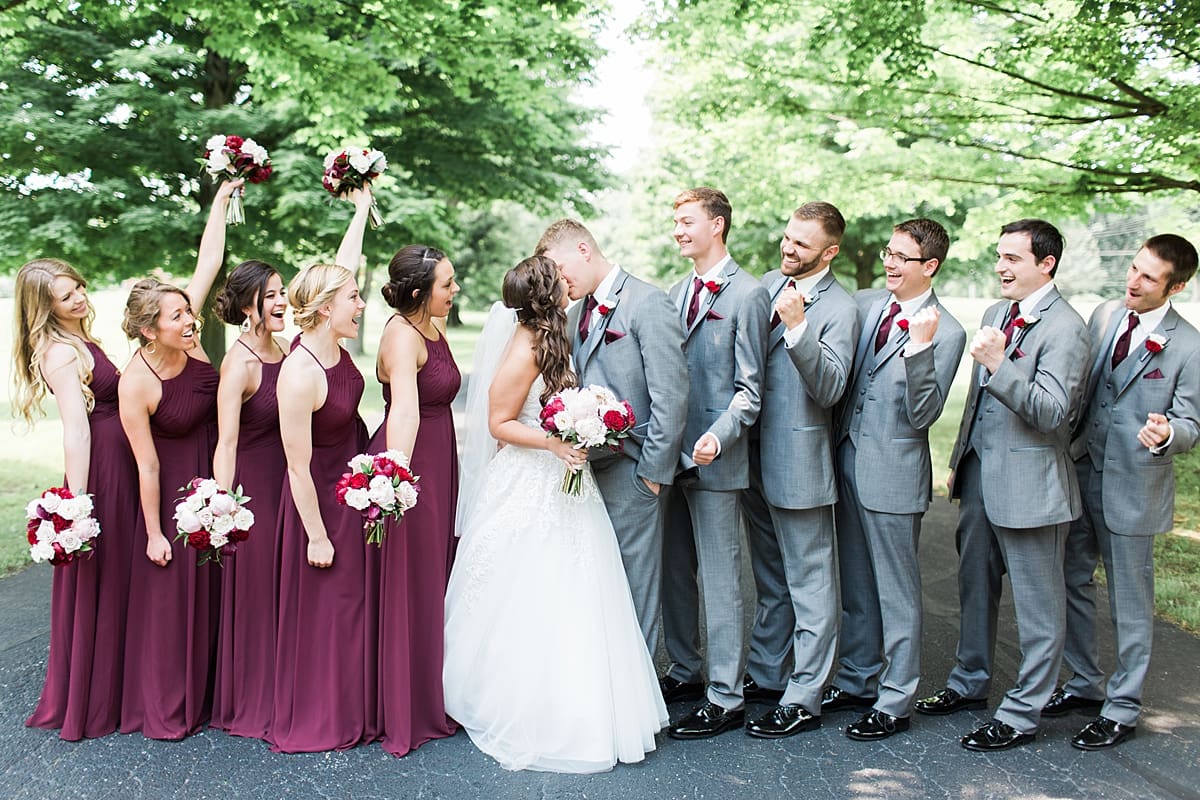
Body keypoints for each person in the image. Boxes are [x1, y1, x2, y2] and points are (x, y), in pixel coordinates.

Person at [443, 255, 667, 773]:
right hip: (529, 479)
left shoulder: (556, 334)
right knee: (529, 587)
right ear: (548, 293)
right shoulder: (523, 347)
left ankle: (581, 701)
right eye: (561, 281)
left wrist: (584, 424)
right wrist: (553, 441)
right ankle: (519, 699)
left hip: (567, 480)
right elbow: (499, 422)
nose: (571, 284)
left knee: (580, 587)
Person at [918, 218, 1090, 752]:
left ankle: (1021, 713)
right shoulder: (998, 313)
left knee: (1039, 606)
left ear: (1046, 264)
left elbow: (1054, 414)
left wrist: (1000, 360)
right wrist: (959, 456)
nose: (1000, 267)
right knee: (975, 585)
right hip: (979, 473)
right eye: (999, 256)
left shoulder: (1067, 329)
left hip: (1034, 485)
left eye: (1013, 258)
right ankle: (969, 684)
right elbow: (976, 399)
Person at [1054, 234, 1200, 750]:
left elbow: (1191, 422)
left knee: (1130, 601)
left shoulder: (1189, 345)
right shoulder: (1104, 315)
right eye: (1134, 269)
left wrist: (1168, 435)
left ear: (1176, 287)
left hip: (1135, 482)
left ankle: (1122, 708)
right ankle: (1084, 682)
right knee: (1071, 579)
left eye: (1149, 277)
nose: (1133, 282)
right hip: (1082, 468)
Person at [827, 219, 966, 741]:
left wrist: (920, 350)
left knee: (897, 590)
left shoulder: (946, 330)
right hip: (848, 458)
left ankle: (895, 698)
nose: (889, 262)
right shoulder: (865, 305)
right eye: (889, 251)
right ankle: (858, 677)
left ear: (929, 266)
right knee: (857, 582)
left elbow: (923, 413)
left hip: (895, 471)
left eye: (902, 257)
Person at [117, 181, 240, 739]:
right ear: (149, 329)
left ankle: (215, 693)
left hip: (212, 468)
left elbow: (209, 261)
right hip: (166, 485)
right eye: (177, 316)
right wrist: (152, 532)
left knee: (216, 587)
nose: (191, 320)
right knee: (171, 596)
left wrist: (220, 202)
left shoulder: (190, 343)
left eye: (188, 311)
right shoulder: (136, 382)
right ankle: (168, 705)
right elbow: (144, 463)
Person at [536, 218, 687, 656]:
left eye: (560, 268)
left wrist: (652, 477)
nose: (559, 280)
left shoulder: (647, 303)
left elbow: (671, 396)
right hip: (588, 469)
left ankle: (638, 702)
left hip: (634, 470)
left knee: (635, 585)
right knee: (599, 581)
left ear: (584, 250)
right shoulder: (575, 312)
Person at [739, 202, 858, 740]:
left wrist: (798, 328)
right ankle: (767, 675)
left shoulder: (841, 309)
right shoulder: (764, 282)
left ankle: (805, 694)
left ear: (829, 252)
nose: (788, 249)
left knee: (810, 582)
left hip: (800, 461)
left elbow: (831, 388)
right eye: (787, 238)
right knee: (769, 577)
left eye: (802, 245)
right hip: (751, 456)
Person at [268, 193, 377, 753]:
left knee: (356, 603)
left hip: (354, 488)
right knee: (331, 608)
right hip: (318, 501)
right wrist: (315, 534)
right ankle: (322, 715)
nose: (361, 304)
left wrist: (361, 208)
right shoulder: (299, 374)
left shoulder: (334, 340)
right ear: (326, 307)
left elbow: (344, 264)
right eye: (354, 298)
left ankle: (358, 705)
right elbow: (296, 464)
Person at [661, 187, 770, 739]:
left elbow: (751, 389)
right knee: (675, 571)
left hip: (715, 456)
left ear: (718, 225)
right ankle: (685, 670)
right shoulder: (676, 291)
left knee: (723, 578)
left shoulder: (749, 294)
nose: (678, 230)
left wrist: (719, 436)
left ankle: (726, 697)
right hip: (669, 455)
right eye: (674, 222)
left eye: (686, 221)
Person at [16, 258, 138, 741]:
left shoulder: (80, 339)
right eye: (67, 297)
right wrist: (79, 503)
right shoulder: (61, 352)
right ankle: (99, 695)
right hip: (102, 467)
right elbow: (75, 430)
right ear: (44, 307)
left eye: (80, 288)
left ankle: (123, 684)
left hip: (118, 458)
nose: (81, 298)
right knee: (104, 577)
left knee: (120, 576)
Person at [369, 237, 461, 757]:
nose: (454, 290)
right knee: (413, 580)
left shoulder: (433, 324)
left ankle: (436, 688)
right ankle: (406, 707)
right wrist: (395, 478)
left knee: (435, 576)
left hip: (440, 454)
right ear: (421, 291)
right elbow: (403, 409)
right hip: (412, 462)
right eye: (447, 284)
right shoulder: (402, 336)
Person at [209, 224, 291, 738]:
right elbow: (226, 443)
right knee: (258, 594)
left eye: (283, 292)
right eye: (273, 296)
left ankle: (288, 687)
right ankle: (252, 700)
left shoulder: (285, 348)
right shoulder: (238, 363)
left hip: (293, 478)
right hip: (256, 488)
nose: (283, 301)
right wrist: (227, 507)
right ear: (248, 307)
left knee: (289, 590)